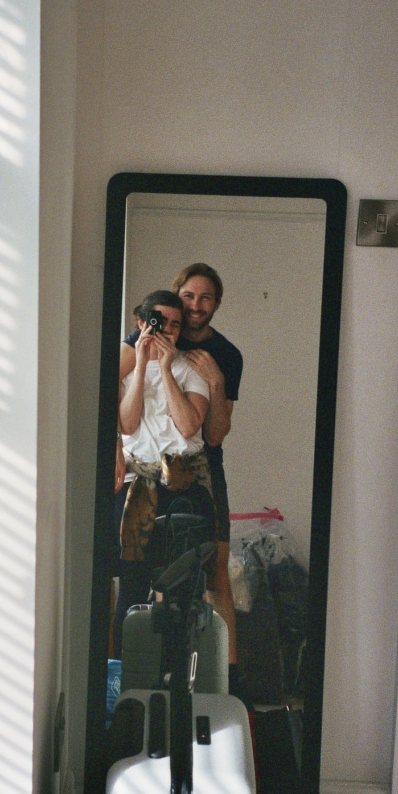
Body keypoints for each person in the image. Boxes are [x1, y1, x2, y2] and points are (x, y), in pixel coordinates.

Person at [119, 264, 243, 664]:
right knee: (134, 573)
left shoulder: (219, 356)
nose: (194, 306)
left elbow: (210, 433)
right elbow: (112, 405)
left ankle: (227, 672)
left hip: (198, 463)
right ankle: (126, 668)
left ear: (216, 305)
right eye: (188, 296)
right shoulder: (138, 341)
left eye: (205, 298)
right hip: (140, 466)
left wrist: (216, 381)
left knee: (213, 570)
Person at [114, 290, 216, 652]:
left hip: (184, 483)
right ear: (142, 322)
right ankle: (125, 672)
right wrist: (143, 365)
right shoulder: (127, 370)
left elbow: (189, 426)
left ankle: (181, 668)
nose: (168, 330)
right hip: (137, 487)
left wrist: (168, 369)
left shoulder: (192, 368)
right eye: (160, 322)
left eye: (176, 324)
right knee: (131, 583)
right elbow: (127, 425)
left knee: (186, 588)